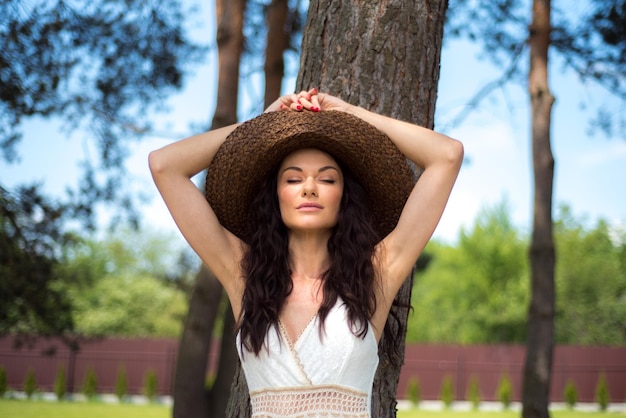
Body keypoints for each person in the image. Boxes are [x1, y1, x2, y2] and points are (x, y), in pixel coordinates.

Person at [149, 88, 463, 417]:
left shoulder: (375, 275)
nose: (309, 187)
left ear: (344, 197)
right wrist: (263, 124)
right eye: (293, 179)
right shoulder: (244, 273)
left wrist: (351, 112)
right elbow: (164, 165)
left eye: (326, 179)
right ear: (276, 195)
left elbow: (447, 155)